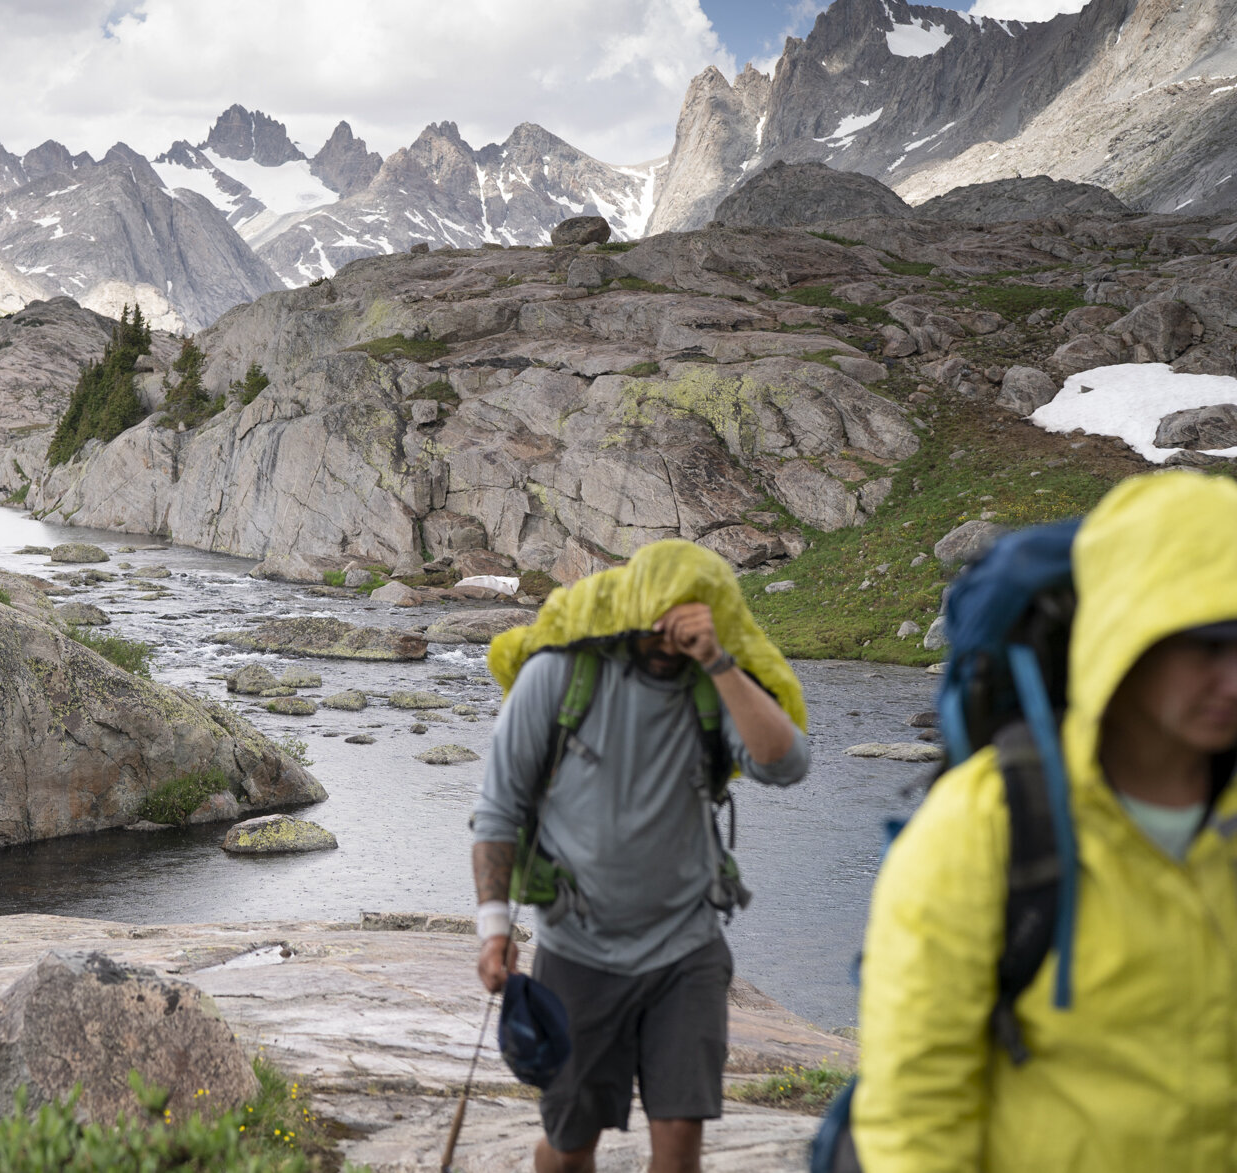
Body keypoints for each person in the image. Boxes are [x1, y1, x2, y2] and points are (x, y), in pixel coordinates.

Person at [854, 470, 1237, 1171]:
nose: (1233, 679)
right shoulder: (985, 824)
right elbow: (916, 1113)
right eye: (1206, 644)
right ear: (1125, 629)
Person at [472, 539, 809, 1173]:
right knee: (572, 1145)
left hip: (686, 950)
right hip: (578, 952)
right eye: (660, 618)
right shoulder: (559, 677)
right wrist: (494, 929)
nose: (669, 637)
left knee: (679, 1143)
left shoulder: (711, 685)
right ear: (631, 607)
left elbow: (786, 765)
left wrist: (719, 661)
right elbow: (498, 809)